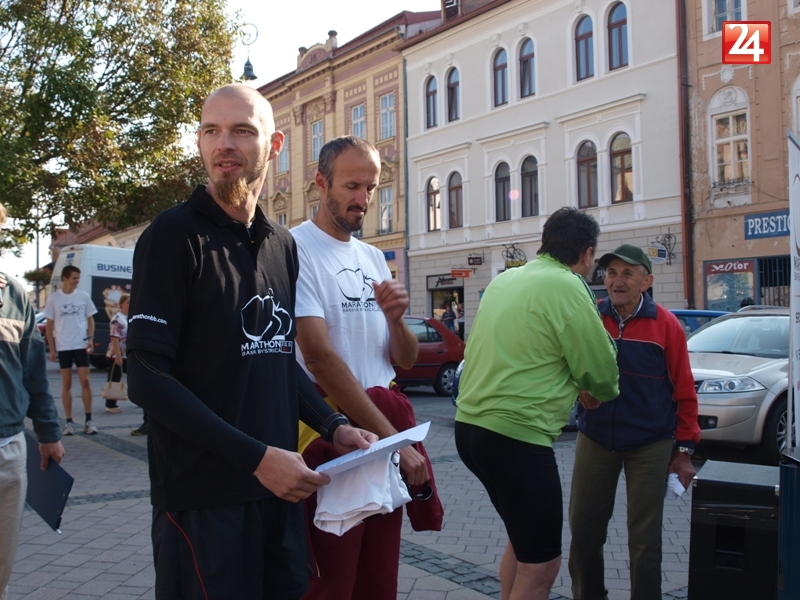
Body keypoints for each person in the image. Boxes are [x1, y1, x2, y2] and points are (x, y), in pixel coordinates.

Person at [126, 84, 376, 600]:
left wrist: (334, 425)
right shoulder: (172, 236)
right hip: (203, 501)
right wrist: (257, 458)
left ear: (274, 144)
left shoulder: (281, 245)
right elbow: (147, 377)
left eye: (241, 131)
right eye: (211, 131)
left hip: (278, 491)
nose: (224, 144)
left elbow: (278, 357)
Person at [292, 136, 438, 600]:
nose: (363, 198)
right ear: (321, 184)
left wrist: (396, 319)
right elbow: (319, 358)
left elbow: (405, 359)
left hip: (380, 427)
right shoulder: (295, 249)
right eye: (352, 186)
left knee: (378, 573)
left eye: (371, 188)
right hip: (332, 433)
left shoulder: (374, 257)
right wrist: (396, 444)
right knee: (330, 579)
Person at [455, 206, 620, 600]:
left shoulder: (506, 279)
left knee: (523, 542)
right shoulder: (568, 285)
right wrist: (591, 387)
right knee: (543, 564)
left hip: (470, 429)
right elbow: (601, 372)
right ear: (587, 254)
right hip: (517, 437)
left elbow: (524, 350)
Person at [568, 244, 701, 600]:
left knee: (645, 539)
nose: (617, 281)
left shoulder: (667, 325)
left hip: (650, 443)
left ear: (646, 281)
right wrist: (579, 389)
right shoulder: (592, 316)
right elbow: (570, 364)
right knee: (583, 532)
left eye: (628, 273)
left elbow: (684, 390)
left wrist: (684, 450)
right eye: (612, 273)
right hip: (596, 438)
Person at [0, 202, 66, 599]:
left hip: (10, 447)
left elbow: (33, 372)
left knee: (2, 565)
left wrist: (48, 432)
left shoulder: (14, 293)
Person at [44, 265, 98, 435]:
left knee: (85, 381)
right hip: (64, 345)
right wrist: (52, 349)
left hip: (80, 344)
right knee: (66, 383)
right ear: (65, 279)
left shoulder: (83, 296)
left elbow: (90, 319)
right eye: (74, 278)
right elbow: (49, 325)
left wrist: (90, 338)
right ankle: (69, 422)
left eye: (78, 278)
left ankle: (89, 421)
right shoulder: (54, 299)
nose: (77, 281)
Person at [104, 293, 129, 413]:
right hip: (117, 355)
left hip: (127, 354)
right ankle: (110, 404)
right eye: (128, 303)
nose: (130, 305)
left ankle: (138, 399)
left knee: (135, 377)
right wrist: (118, 356)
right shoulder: (117, 319)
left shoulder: (128, 318)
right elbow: (114, 338)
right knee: (114, 379)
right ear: (121, 304)